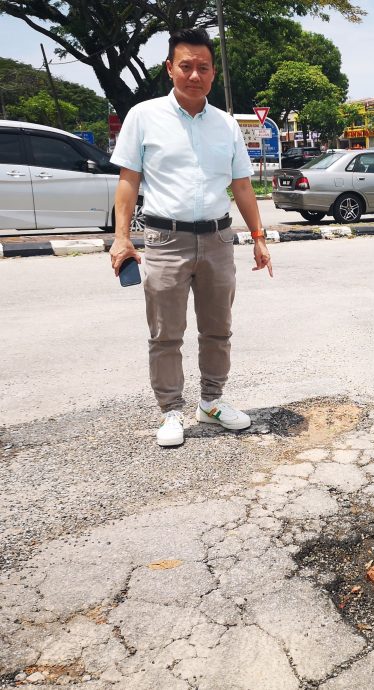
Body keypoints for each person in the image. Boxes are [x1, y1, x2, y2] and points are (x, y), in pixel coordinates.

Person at [109, 28, 273, 447]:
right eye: (186, 66)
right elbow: (129, 181)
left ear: (213, 74)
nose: (194, 75)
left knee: (218, 330)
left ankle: (212, 403)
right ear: (170, 69)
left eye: (203, 68)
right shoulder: (143, 116)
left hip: (218, 240)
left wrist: (258, 236)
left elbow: (242, 186)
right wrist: (121, 237)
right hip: (166, 239)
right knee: (166, 333)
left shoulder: (226, 125)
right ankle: (170, 411)